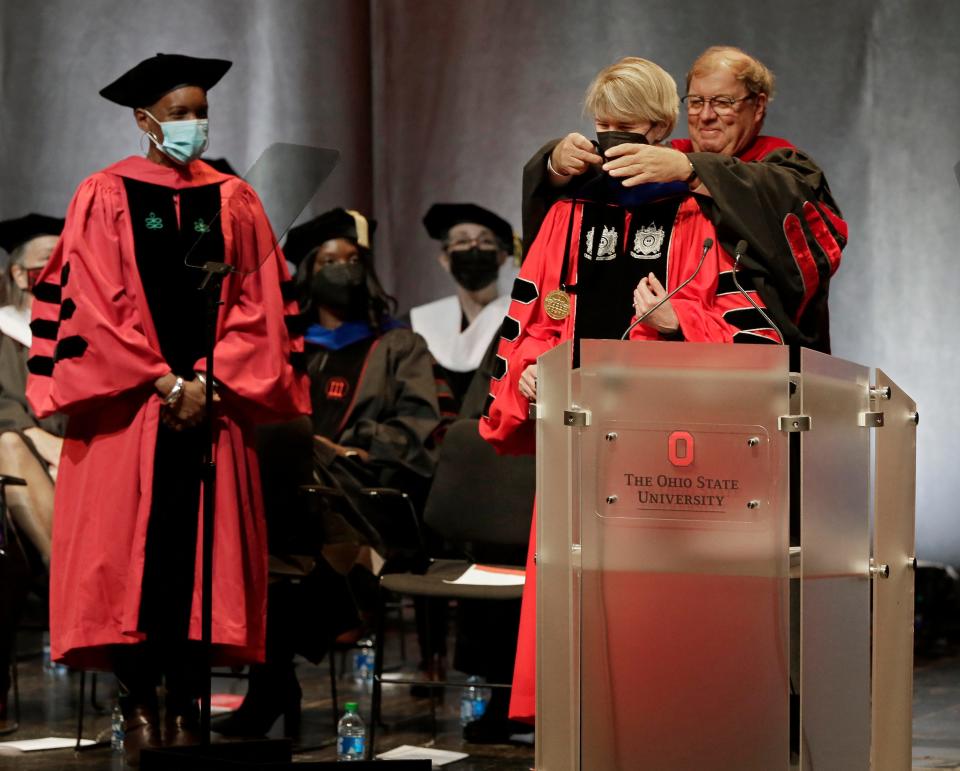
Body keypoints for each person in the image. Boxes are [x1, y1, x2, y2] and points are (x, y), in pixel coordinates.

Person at [481, 56, 792, 726]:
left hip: (665, 458)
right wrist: (533, 372)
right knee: (577, 614)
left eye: (626, 130)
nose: (609, 144)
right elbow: (538, 315)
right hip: (579, 441)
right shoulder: (569, 215)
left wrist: (682, 322)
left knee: (653, 633)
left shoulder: (696, 214)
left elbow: (759, 347)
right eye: (601, 128)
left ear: (660, 128)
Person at [25, 53, 309, 763]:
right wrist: (161, 380)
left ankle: (186, 699)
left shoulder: (236, 200)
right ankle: (138, 696)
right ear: (144, 119)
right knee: (130, 562)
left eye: (200, 112)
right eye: (180, 113)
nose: (194, 125)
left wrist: (211, 383)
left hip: (213, 411)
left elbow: (261, 305)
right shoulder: (105, 193)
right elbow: (90, 302)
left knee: (200, 564)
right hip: (130, 414)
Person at [216, 208, 443, 737]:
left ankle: (272, 690)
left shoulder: (399, 346)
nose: (343, 268)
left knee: (284, 464)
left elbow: (419, 434)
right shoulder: (283, 347)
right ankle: (275, 686)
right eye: (328, 259)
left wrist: (344, 449)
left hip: (365, 497)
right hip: (295, 504)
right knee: (275, 537)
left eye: (352, 259)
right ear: (306, 273)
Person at [522, 45, 846, 352]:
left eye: (722, 102)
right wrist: (556, 164)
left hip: (753, 368)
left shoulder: (783, 168)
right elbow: (584, 203)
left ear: (758, 105)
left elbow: (804, 243)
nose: (705, 116)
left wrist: (693, 170)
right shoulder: (661, 160)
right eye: (695, 101)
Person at [0, 213, 66, 734]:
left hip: (76, 465)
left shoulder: (84, 334)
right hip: (11, 472)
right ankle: (64, 579)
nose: (56, 274)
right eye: (45, 266)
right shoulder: (1, 330)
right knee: (7, 442)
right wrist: (36, 438)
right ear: (20, 275)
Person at [413, 204, 516, 417]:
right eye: (461, 241)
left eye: (485, 241)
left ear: (502, 256)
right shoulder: (419, 323)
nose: (474, 247)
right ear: (444, 259)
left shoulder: (518, 318)